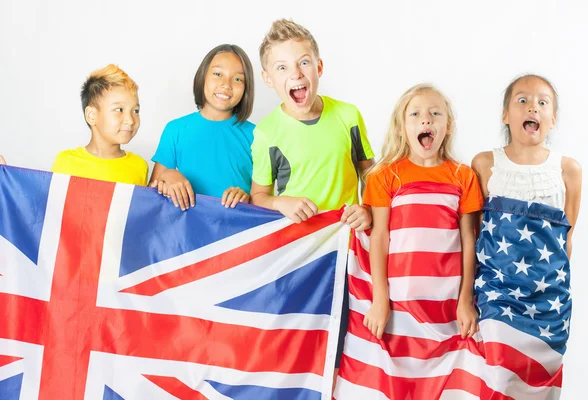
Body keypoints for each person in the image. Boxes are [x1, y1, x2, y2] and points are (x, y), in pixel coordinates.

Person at [335, 84, 483, 399]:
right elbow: (379, 238)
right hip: (399, 305)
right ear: (403, 128)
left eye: (434, 114)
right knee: (396, 383)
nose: (425, 121)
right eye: (415, 115)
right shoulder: (386, 176)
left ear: (448, 126)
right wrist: (380, 299)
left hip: (445, 306)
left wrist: (465, 300)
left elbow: (469, 241)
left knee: (444, 383)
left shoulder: (463, 177)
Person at [250, 18, 375, 387]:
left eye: (304, 62)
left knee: (347, 340)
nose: (296, 73)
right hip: (297, 255)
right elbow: (259, 196)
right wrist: (281, 203)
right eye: (283, 67)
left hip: (349, 252)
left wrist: (367, 209)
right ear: (269, 79)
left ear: (318, 67)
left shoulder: (348, 116)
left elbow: (372, 176)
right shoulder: (266, 133)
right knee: (300, 341)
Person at [471, 74, 582, 397]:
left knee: (539, 385)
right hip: (497, 295)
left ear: (552, 118)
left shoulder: (568, 170)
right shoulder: (485, 164)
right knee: (498, 378)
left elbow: (567, 238)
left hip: (549, 301)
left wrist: (551, 290)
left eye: (542, 102)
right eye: (522, 100)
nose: (533, 106)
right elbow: (476, 231)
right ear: (505, 115)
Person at [150, 44, 255, 210]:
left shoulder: (258, 136)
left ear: (246, 88)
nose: (226, 84)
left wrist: (248, 199)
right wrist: (167, 175)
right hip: (186, 232)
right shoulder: (175, 130)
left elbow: (265, 201)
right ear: (202, 77)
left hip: (239, 232)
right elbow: (151, 196)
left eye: (237, 79)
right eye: (218, 74)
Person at [51, 64, 148, 185]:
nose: (130, 120)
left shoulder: (139, 166)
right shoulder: (66, 162)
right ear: (91, 115)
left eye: (135, 111)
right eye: (119, 110)